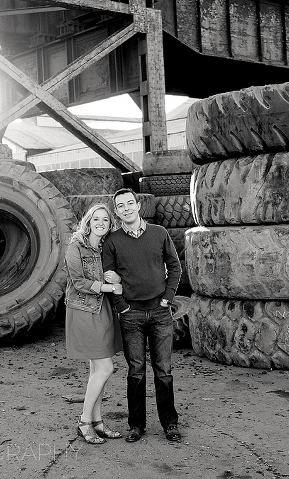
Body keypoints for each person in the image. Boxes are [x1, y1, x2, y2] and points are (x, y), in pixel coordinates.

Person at [102, 188, 183, 443]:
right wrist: (121, 306)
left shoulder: (159, 233)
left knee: (164, 370)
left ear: (138, 206)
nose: (126, 209)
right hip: (131, 314)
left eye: (129, 203)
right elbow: (109, 276)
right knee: (136, 371)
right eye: (121, 206)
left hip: (160, 312)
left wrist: (168, 298)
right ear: (117, 212)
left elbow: (175, 266)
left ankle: (170, 423)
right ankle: (136, 425)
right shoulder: (112, 241)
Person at [64, 203, 124, 445]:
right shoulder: (75, 246)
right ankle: (84, 422)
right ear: (88, 222)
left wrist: (117, 278)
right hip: (83, 310)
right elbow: (78, 282)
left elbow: (121, 272)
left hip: (104, 310)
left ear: (110, 225)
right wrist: (109, 287)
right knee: (106, 368)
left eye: (106, 220)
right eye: (96, 219)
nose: (100, 223)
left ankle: (98, 422)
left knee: (96, 370)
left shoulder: (107, 248)